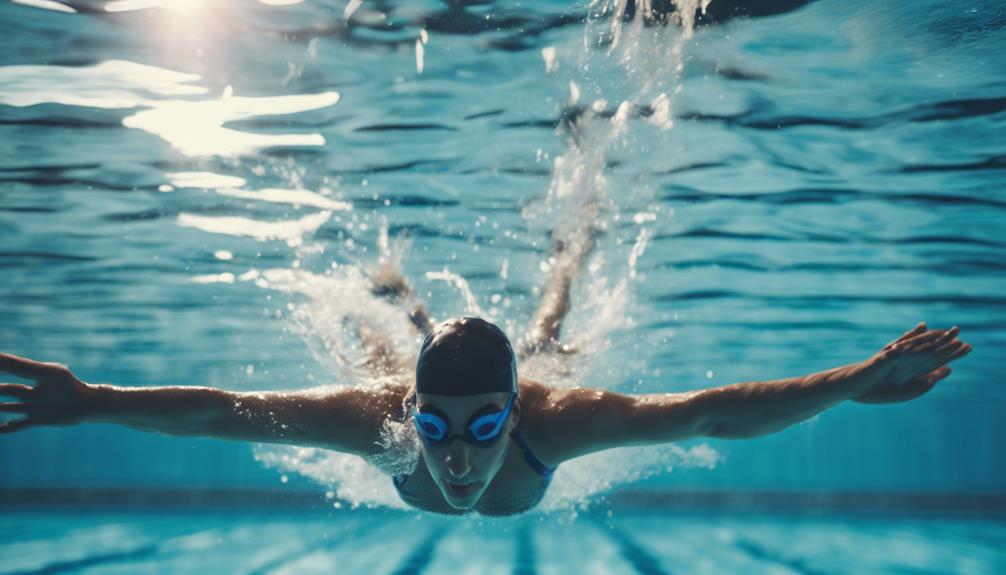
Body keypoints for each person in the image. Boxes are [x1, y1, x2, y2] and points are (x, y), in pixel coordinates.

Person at [0, 223, 972, 516]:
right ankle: (413, 311)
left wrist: (849, 382)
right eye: (435, 427)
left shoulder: (554, 417)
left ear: (511, 415)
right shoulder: (382, 414)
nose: (457, 457)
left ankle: (568, 258)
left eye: (481, 427)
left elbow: (708, 414)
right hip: (417, 367)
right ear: (411, 418)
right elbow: (224, 414)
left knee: (550, 333)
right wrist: (90, 400)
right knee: (388, 349)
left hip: (528, 367)